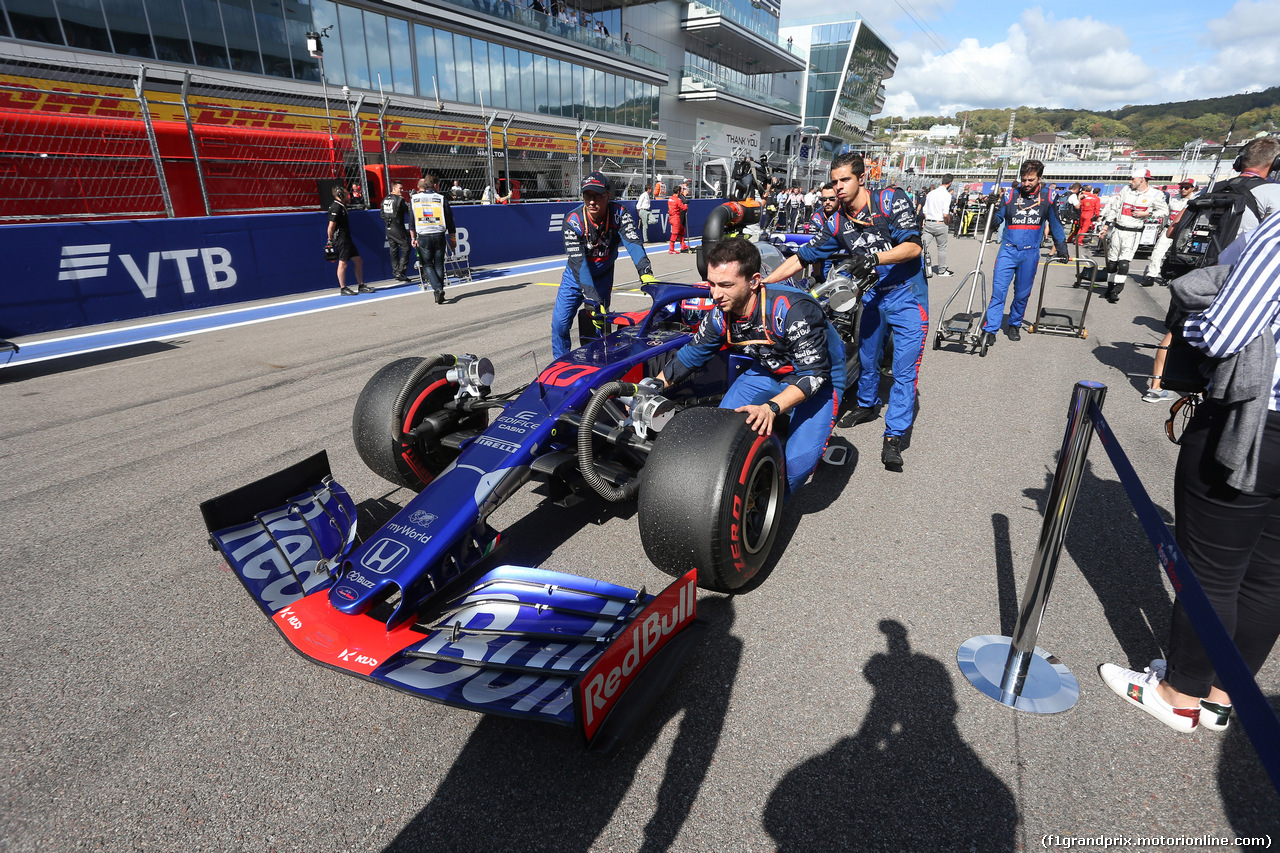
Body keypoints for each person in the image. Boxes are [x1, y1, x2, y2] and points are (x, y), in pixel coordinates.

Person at [1100, 211, 1280, 734]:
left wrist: (1194, 323)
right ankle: (1223, 698)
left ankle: (1180, 693)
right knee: (1269, 575)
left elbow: (1225, 333)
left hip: (1252, 422)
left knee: (1213, 570)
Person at [763, 151, 927, 471]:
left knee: (905, 369)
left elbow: (914, 246)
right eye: (834, 181)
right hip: (873, 294)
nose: (838, 187)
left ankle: (893, 436)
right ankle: (866, 404)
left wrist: (874, 259)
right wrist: (763, 284)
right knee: (867, 356)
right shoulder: (836, 220)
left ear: (861, 178)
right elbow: (802, 257)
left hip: (908, 294)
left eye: (845, 180)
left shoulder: (891, 200)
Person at [657, 237, 844, 494]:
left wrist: (771, 408)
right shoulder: (720, 313)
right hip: (768, 368)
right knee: (720, 437)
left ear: (754, 281)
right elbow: (690, 356)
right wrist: (655, 385)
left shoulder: (793, 309)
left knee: (794, 468)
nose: (715, 294)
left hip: (819, 378)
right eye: (711, 284)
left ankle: (769, 511)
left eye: (725, 285)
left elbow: (812, 376)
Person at [552, 171, 655, 358]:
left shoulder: (619, 213)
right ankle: (560, 364)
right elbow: (579, 263)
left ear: (608, 195)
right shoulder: (572, 221)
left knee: (599, 325)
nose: (592, 201)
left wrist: (645, 272)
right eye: (587, 195)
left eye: (597, 195)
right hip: (575, 277)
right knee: (559, 324)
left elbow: (633, 243)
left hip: (603, 276)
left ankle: (597, 364)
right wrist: (593, 299)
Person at [980, 160, 1069, 344]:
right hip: (1008, 251)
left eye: (1031, 180)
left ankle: (1014, 323)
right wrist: (989, 208)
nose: (1026, 184)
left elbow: (1056, 224)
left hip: (1030, 253)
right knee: (998, 292)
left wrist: (1062, 248)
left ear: (1040, 178)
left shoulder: (1049, 196)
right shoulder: (1010, 195)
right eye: (1023, 179)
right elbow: (995, 220)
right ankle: (990, 329)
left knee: (1022, 294)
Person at [1096, 166, 1169, 303]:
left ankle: (1117, 289)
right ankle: (1110, 286)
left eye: (1132, 179)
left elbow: (1164, 211)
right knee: (1112, 263)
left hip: (1133, 232)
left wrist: (1147, 213)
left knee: (1124, 262)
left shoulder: (1155, 194)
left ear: (1142, 180)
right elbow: (1115, 208)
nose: (1130, 181)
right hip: (1118, 230)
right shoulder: (1126, 190)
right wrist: (1106, 227)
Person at [409, 175, 457, 305]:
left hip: (423, 236)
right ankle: (439, 291)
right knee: (439, 264)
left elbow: (411, 222)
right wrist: (453, 239)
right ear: (435, 185)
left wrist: (413, 238)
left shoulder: (415, 199)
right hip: (439, 234)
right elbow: (450, 221)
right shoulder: (441, 198)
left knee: (427, 265)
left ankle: (437, 289)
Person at [1142, 179, 1198, 286]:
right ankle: (1151, 276)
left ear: (1193, 188)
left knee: (1177, 255)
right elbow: (1166, 214)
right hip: (1168, 229)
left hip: (1183, 232)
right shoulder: (1173, 199)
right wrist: (1161, 228)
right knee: (1157, 252)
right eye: (1181, 187)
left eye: (1187, 187)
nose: (1183, 189)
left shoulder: (1195, 200)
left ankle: (1170, 276)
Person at [326, 186, 369, 295]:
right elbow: (331, 226)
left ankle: (361, 285)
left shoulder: (341, 206)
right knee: (343, 262)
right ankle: (343, 288)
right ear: (340, 194)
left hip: (347, 238)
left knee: (358, 260)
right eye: (345, 193)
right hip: (341, 238)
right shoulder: (336, 207)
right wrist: (330, 240)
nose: (347, 195)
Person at [922, 174, 955, 277]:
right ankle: (941, 270)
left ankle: (918, 267)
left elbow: (925, 210)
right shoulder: (947, 195)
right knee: (941, 248)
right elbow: (945, 213)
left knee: (923, 246)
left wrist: (928, 219)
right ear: (950, 183)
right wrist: (947, 222)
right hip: (940, 222)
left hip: (929, 222)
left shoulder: (931, 193)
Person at [380, 180, 412, 283]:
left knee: (393, 249)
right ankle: (400, 271)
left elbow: (382, 214)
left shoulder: (385, 199)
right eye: (400, 188)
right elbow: (408, 211)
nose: (402, 190)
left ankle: (396, 271)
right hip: (397, 227)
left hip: (388, 227)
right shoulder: (399, 199)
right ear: (394, 188)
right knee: (406, 247)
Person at [807, 183, 840, 283]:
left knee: (844, 284)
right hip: (824, 253)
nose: (827, 202)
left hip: (844, 253)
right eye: (824, 199)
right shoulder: (816, 217)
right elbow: (813, 247)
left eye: (831, 199)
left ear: (839, 198)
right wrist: (817, 277)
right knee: (818, 281)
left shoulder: (847, 211)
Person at [667, 184, 689, 254]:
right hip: (676, 218)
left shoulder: (670, 199)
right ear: (678, 192)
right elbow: (683, 208)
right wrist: (686, 205)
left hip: (671, 217)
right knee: (675, 233)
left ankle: (683, 245)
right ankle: (671, 249)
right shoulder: (677, 200)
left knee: (682, 230)